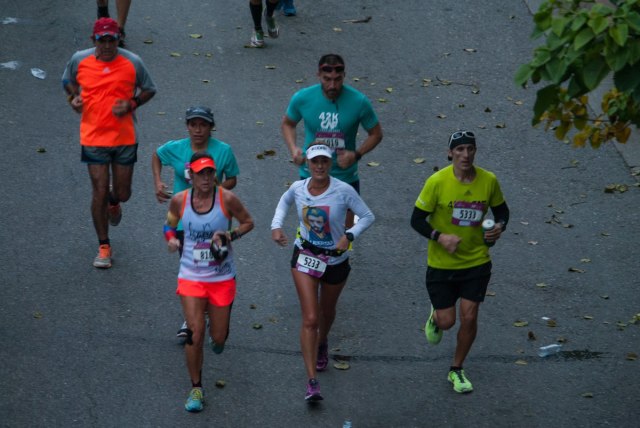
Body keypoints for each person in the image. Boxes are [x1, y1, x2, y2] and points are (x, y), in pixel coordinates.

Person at [271, 143, 375, 401]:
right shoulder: (298, 188)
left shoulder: (344, 191)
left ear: (330, 164)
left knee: (326, 312)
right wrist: (276, 227)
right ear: (307, 163)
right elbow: (283, 203)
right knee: (310, 318)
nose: (319, 166)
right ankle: (312, 382)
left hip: (335, 261)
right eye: (314, 162)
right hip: (305, 256)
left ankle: (322, 341)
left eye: (324, 162)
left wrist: (349, 235)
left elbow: (367, 216)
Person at [410, 130, 509, 394]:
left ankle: (456, 368)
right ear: (450, 153)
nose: (465, 154)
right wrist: (439, 237)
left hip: (476, 261)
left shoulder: (488, 181)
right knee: (447, 323)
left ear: (475, 152)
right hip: (442, 264)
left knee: (470, 315)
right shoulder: (437, 182)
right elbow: (416, 220)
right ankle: (436, 315)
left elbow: (502, 212)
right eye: (460, 149)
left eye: (470, 149)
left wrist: (499, 227)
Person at [62, 17, 156, 269]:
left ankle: (114, 202)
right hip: (93, 137)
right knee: (99, 190)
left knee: (122, 193)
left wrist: (132, 104)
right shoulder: (79, 60)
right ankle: (103, 246)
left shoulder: (133, 62)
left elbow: (149, 89)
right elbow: (66, 81)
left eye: (111, 40)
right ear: (93, 41)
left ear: (118, 40)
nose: (106, 46)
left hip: (124, 138)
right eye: (101, 40)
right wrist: (74, 99)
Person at [164, 152, 254, 412]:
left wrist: (229, 235)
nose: (206, 178)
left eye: (210, 172)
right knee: (195, 332)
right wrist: (171, 238)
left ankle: (220, 337)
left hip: (221, 276)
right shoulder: (180, 200)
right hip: (191, 275)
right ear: (190, 175)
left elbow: (249, 222)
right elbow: (169, 225)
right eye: (200, 173)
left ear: (215, 174)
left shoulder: (227, 199)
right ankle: (196, 388)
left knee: (218, 337)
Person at [152, 106, 240, 337]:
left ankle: (215, 309)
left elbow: (232, 179)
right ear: (187, 127)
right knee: (193, 267)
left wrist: (217, 190)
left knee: (215, 264)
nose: (198, 130)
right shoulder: (176, 148)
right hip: (185, 221)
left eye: (203, 125)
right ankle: (192, 318)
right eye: (193, 125)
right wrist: (158, 182)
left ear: (211, 127)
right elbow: (156, 156)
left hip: (216, 222)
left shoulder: (223, 151)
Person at [281, 53, 383, 228]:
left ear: (344, 76)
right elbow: (288, 124)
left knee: (345, 233)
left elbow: (376, 133)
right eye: (327, 79)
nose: (332, 85)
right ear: (318, 75)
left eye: (337, 79)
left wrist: (357, 154)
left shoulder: (359, 102)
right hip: (312, 174)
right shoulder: (303, 98)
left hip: (345, 177)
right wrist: (293, 149)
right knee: (313, 230)